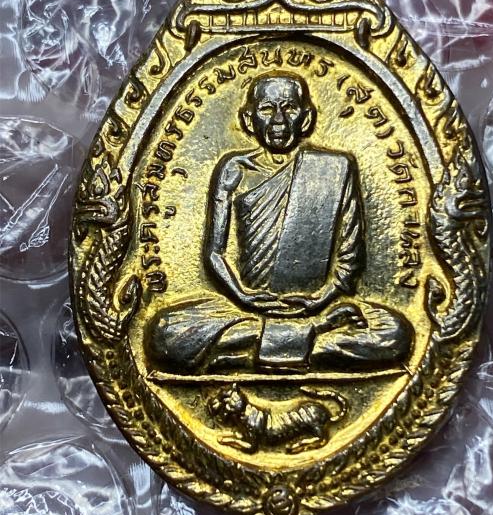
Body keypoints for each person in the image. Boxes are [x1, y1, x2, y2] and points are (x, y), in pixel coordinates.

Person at [147, 72, 411, 373]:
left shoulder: (335, 168)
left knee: (395, 334)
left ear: (306, 118)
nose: (279, 121)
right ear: (248, 120)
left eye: (290, 108)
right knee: (164, 334)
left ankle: (248, 352)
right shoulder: (234, 169)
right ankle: (308, 340)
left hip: (319, 307)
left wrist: (321, 299)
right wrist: (243, 296)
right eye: (267, 109)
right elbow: (215, 253)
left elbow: (351, 259)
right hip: (246, 309)